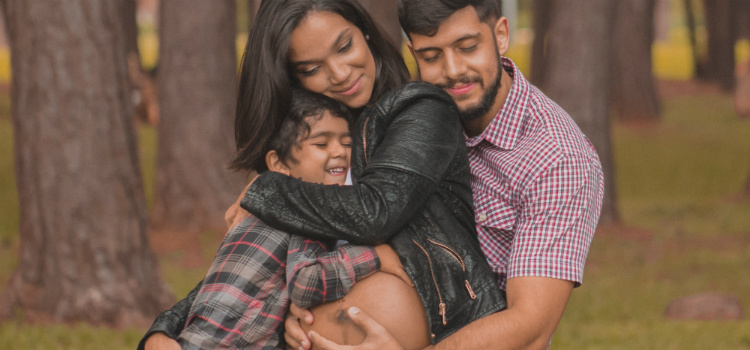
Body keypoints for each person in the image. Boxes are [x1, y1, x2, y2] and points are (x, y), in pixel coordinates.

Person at [139, 0, 507, 349]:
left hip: (443, 326)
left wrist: (268, 187)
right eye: (311, 69)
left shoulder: (421, 108)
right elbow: (252, 261)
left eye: (343, 47)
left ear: (364, 32)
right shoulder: (309, 152)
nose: (340, 73)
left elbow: (375, 212)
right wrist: (167, 326)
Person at [283, 1, 604, 349]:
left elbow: (530, 328)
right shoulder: (410, 116)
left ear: (500, 35)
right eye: (432, 55)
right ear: (413, 52)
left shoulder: (556, 160)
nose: (452, 70)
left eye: (468, 47)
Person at [166, 88, 412, 350]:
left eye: (346, 142)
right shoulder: (303, 213)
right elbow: (305, 284)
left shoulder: (258, 212)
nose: (340, 151)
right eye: (321, 143)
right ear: (279, 165)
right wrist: (376, 257)